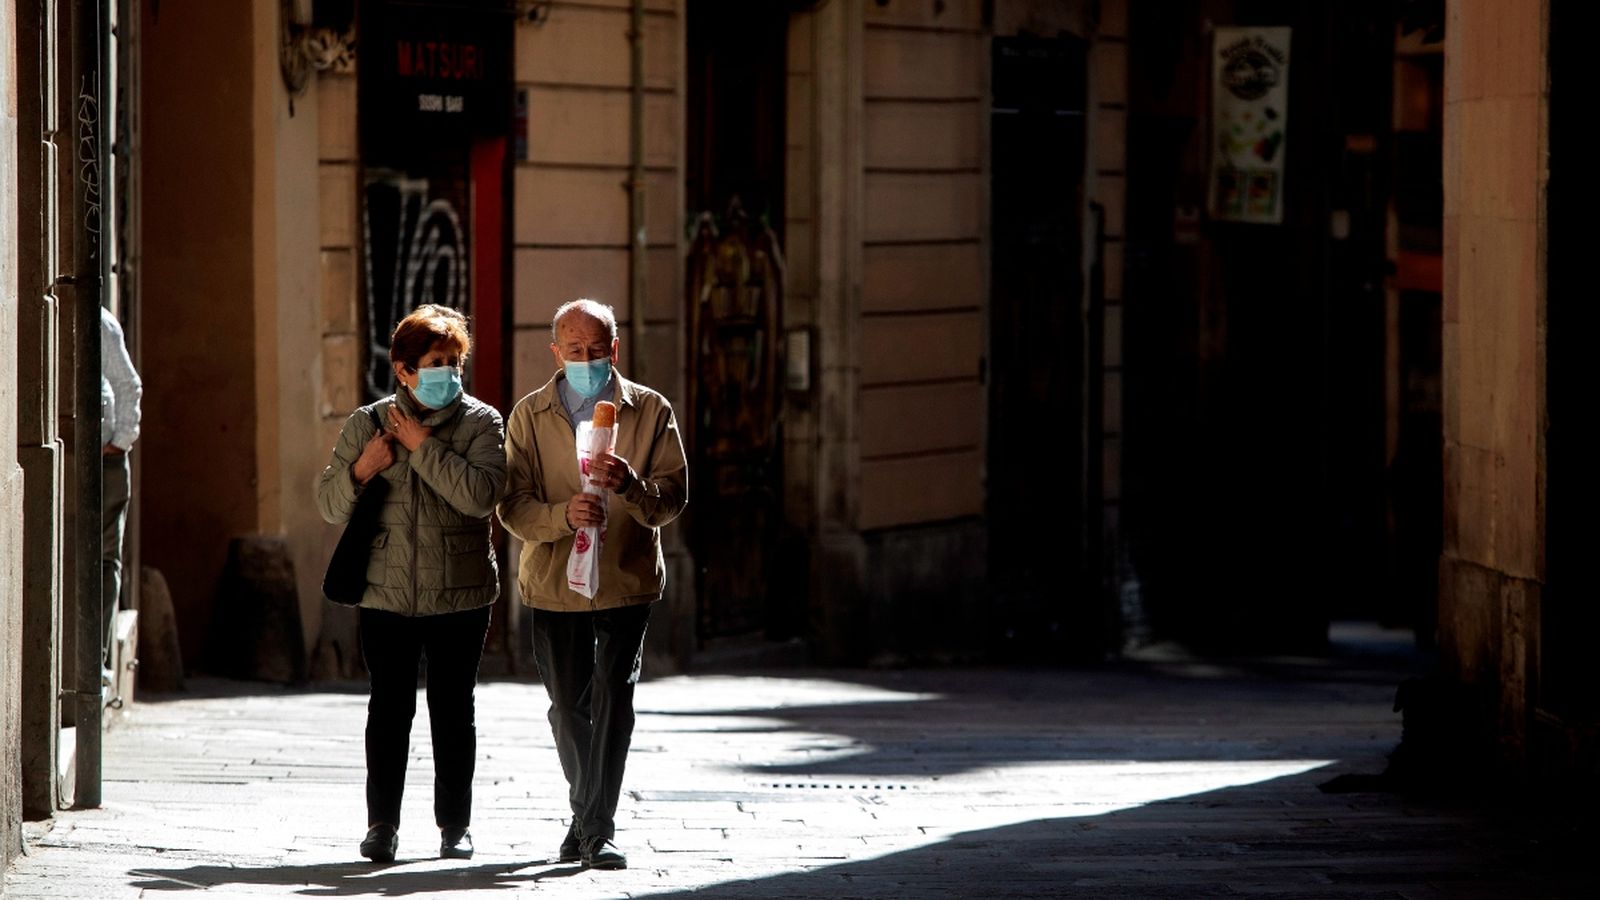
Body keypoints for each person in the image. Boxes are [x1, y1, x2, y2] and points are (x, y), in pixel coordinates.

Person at [497, 298, 688, 870]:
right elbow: (512, 506)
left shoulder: (650, 411)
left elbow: (673, 497)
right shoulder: (530, 416)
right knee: (566, 706)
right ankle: (587, 816)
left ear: (615, 349)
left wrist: (631, 485)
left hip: (626, 580)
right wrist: (564, 517)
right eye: (574, 350)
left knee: (614, 694)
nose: (586, 360)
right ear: (556, 352)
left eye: (596, 350)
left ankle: (596, 828)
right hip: (555, 583)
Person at [314, 304, 506, 864]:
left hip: (462, 594)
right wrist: (362, 469)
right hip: (385, 594)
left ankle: (454, 826)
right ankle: (382, 825)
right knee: (388, 711)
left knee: (454, 710)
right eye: (434, 362)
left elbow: (479, 495)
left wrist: (423, 445)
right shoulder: (367, 425)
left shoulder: (482, 423)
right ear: (403, 370)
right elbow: (327, 504)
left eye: (454, 362)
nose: (447, 372)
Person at [101, 306, 142, 685]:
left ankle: (95, 659)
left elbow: (127, 384)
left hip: (107, 461)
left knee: (104, 559)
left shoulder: (101, 322)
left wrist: (120, 443)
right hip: (76, 457)